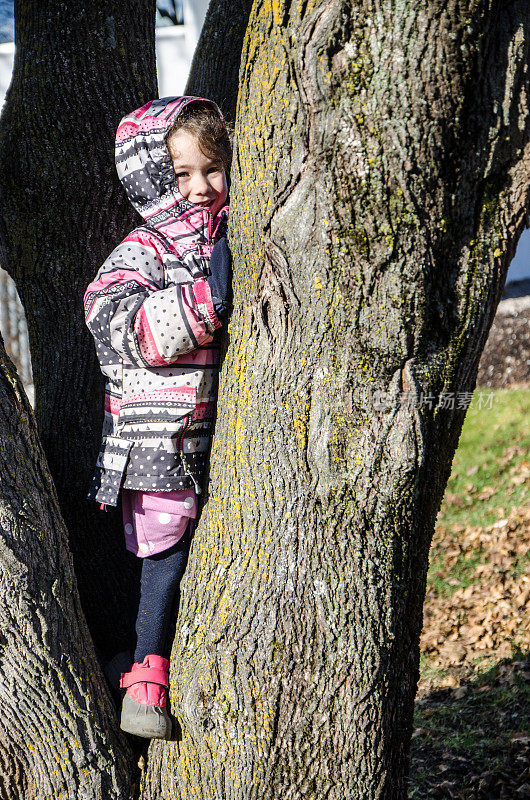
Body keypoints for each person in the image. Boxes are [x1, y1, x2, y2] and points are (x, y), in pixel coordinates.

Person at [83, 96, 232, 739]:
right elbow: (108, 316)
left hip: (211, 433)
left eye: (213, 169)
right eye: (181, 174)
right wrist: (202, 304)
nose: (200, 188)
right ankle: (145, 676)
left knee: (187, 547)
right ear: (153, 177)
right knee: (164, 549)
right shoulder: (146, 248)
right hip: (158, 436)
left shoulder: (236, 231)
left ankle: (134, 657)